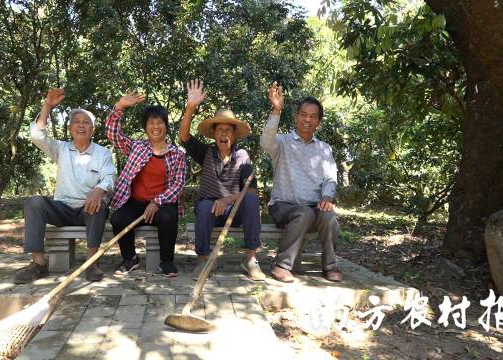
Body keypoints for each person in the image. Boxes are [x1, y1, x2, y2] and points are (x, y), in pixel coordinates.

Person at [14, 88, 116, 284]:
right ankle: (39, 264)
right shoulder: (60, 149)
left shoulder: (102, 152)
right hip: (63, 208)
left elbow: (110, 176)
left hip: (88, 209)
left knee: (99, 204)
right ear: (70, 128)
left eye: (86, 123)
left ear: (92, 129)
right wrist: (47, 106)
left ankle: (91, 263)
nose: (81, 126)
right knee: (35, 203)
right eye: (76, 122)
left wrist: (99, 190)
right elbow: (37, 136)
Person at [179, 79, 265, 281]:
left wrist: (226, 199)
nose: (224, 133)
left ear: (234, 135)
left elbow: (251, 191)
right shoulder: (206, 152)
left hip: (234, 210)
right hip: (210, 210)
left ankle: (251, 259)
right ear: (214, 134)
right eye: (220, 129)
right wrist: (191, 107)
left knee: (251, 201)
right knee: (203, 207)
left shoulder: (243, 156)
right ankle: (203, 260)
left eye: (228, 130)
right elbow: (184, 136)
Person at [260, 82, 342, 283]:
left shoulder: (324, 149)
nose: (307, 119)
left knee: (329, 217)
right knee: (303, 213)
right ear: (297, 116)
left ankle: (330, 266)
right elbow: (265, 142)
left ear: (319, 121)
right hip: (283, 206)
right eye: (303, 114)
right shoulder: (282, 143)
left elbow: (330, 178)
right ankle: (281, 265)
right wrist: (276, 110)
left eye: (313, 116)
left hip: (313, 208)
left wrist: (326, 197)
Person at [106, 91, 186, 278]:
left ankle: (167, 262)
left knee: (168, 217)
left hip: (163, 204)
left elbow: (178, 184)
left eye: (159, 122)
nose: (155, 126)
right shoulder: (137, 147)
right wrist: (119, 107)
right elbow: (113, 135)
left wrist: (157, 202)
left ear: (166, 126)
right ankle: (130, 258)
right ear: (145, 127)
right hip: (136, 202)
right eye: (151, 122)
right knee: (118, 218)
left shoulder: (177, 154)